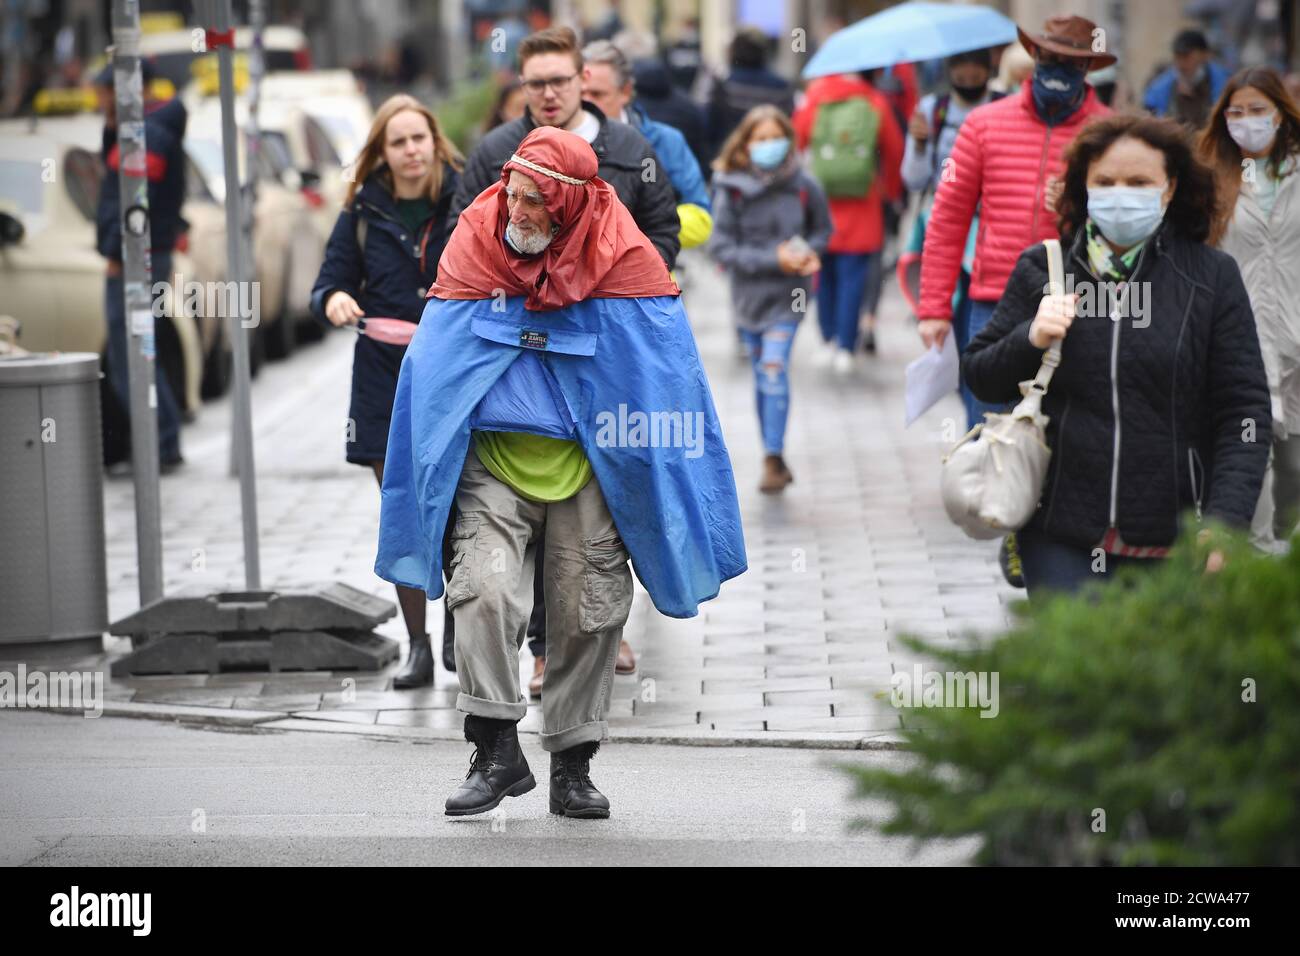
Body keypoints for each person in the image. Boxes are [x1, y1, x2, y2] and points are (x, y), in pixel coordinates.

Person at [375, 127, 745, 818]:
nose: (516, 212)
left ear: (569, 207)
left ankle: (572, 766)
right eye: (513, 195)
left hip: (589, 465)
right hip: (495, 463)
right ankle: (494, 748)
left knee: (588, 612)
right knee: (480, 592)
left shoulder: (625, 255)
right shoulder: (476, 238)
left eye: (534, 203)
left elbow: (661, 372)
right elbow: (435, 363)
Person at [962, 114, 1271, 597]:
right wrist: (1031, 336)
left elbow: (1243, 413)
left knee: (1156, 674)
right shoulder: (1044, 268)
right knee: (1070, 671)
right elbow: (981, 376)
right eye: (1105, 181)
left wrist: (1224, 520)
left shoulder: (1211, 278)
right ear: (1084, 187)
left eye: (1138, 181)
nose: (1120, 193)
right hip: (1058, 531)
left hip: (1176, 536)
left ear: (1168, 188)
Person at [310, 94, 463, 687]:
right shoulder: (363, 211)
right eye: (397, 142)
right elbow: (327, 282)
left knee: (456, 507)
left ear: (434, 142)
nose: (411, 151)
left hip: (451, 375)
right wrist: (334, 299)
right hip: (382, 377)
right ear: (383, 151)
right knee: (403, 511)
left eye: (418, 138)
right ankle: (418, 646)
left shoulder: (463, 200)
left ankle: (458, 622)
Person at [917, 14, 1113, 426]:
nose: (1056, 70)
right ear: (1034, 56)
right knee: (990, 430)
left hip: (1079, 303)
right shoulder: (983, 124)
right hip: (994, 303)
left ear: (1087, 68)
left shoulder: (1110, 132)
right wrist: (934, 307)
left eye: (1070, 62)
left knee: (1070, 429)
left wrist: (1078, 208)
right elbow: (948, 217)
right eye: (1048, 57)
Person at [448, 26, 680, 271]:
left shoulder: (631, 146)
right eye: (536, 84)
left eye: (559, 81)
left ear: (583, 78)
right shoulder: (493, 150)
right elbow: (462, 233)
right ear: (522, 85)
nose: (549, 94)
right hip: (520, 304)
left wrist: (624, 289)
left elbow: (662, 230)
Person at [1199, 68, 1300, 549]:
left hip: (1297, 335)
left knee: (1294, 461)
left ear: (1281, 113)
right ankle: (1254, 558)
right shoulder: (1210, 179)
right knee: (1248, 448)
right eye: (1235, 113)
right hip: (1238, 337)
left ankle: (1285, 544)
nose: (1246, 122)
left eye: (1257, 110)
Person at [710, 105, 832, 493]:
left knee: (774, 370)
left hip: (790, 298)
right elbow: (721, 248)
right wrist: (772, 259)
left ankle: (773, 458)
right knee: (765, 377)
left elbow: (823, 229)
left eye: (776, 138)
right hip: (748, 301)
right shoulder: (730, 187)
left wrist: (809, 252)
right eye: (760, 139)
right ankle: (772, 451)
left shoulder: (803, 183)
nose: (769, 146)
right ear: (745, 145)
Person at [93, 58, 187, 472]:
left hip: (137, 262)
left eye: (103, 96)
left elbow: (133, 203)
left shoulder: (151, 134)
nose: (98, 104)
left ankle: (159, 444)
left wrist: (117, 255)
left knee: (131, 357)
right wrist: (113, 127)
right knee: (137, 353)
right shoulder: (139, 130)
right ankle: (161, 443)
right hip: (144, 259)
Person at [793, 69, 903, 373]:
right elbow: (895, 151)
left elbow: (795, 142)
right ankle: (845, 345)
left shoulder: (815, 98)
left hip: (820, 203)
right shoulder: (874, 100)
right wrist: (889, 191)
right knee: (853, 278)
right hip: (863, 203)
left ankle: (827, 339)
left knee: (822, 275)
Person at [582, 40, 713, 250]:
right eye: (580, 94)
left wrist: (640, 226)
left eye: (597, 95)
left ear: (625, 92)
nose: (586, 103)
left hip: (649, 273)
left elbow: (701, 217)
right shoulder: (561, 139)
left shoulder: (664, 141)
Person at [703, 26, 796, 156]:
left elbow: (710, 127)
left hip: (731, 157)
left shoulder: (723, 85)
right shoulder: (782, 87)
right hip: (773, 158)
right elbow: (790, 124)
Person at [1143, 29, 1230, 129]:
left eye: (1187, 57)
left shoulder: (1223, 83)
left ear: (1204, 55)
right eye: (1177, 57)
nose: (1181, 64)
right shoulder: (1161, 89)